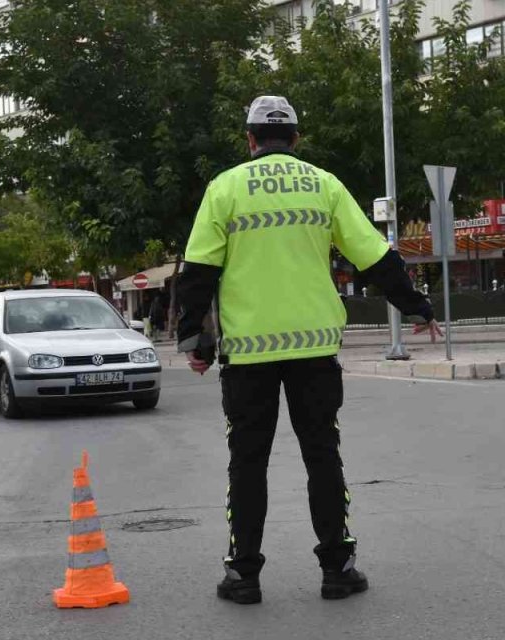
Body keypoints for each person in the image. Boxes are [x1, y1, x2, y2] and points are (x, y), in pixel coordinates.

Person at [176, 95, 442, 605]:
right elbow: (375, 257)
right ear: (295, 139)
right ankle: (338, 568)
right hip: (315, 351)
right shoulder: (324, 184)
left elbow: (197, 271)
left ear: (250, 139)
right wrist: (416, 306)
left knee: (247, 464)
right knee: (322, 457)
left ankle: (243, 575)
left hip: (248, 357)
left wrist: (198, 342)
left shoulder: (225, 187)